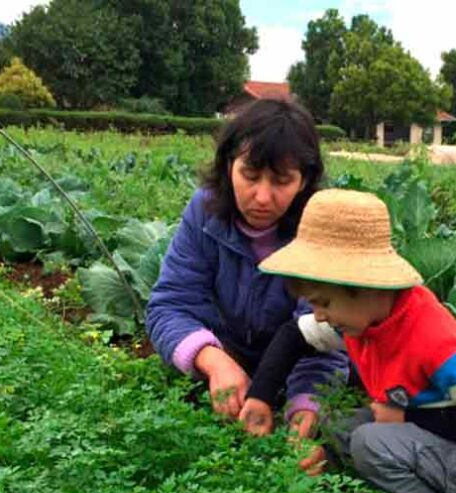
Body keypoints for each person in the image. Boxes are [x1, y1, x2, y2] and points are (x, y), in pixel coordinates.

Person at [237, 189, 456, 493]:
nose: (318, 316)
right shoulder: (369, 317)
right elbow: (294, 335)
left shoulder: (435, 342)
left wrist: (405, 417)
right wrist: (259, 396)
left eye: (323, 304)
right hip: (450, 437)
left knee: (370, 441)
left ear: (368, 288)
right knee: (339, 426)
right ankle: (333, 472)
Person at [146, 99, 347, 437]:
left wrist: (304, 408)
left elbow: (325, 340)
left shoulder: (321, 229)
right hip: (225, 352)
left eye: (281, 181)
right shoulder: (204, 211)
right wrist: (214, 361)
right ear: (228, 166)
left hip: (294, 370)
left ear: (304, 180)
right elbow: (169, 305)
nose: (263, 197)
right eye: (250, 176)